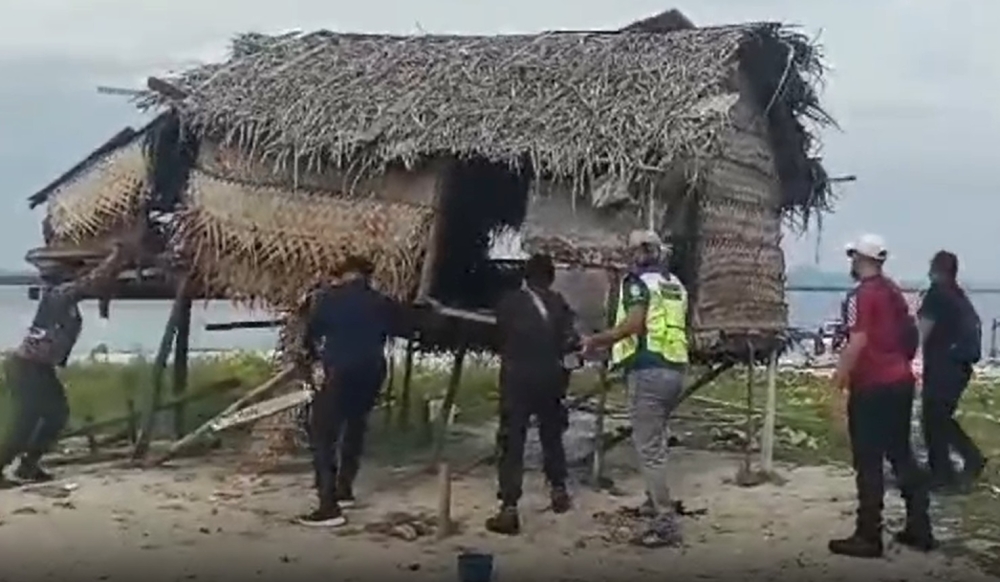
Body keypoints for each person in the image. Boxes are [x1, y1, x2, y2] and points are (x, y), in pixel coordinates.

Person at [828, 234, 935, 558]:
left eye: (853, 257)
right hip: (900, 381)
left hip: (872, 385)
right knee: (901, 453)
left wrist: (839, 379)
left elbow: (857, 341)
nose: (851, 262)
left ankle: (868, 534)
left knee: (868, 460)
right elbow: (911, 334)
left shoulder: (860, 295)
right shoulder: (893, 291)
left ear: (860, 259)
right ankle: (920, 526)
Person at [582, 229, 688, 548]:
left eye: (632, 251)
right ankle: (652, 502)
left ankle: (665, 522)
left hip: (647, 368)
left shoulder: (637, 283)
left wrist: (596, 340)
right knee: (658, 440)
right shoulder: (675, 284)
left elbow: (634, 324)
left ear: (640, 252)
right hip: (675, 367)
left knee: (648, 448)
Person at [0, 239, 133, 487]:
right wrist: (116, 256)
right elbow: (92, 282)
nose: (79, 275)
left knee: (56, 415)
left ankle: (28, 465)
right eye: (75, 271)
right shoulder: (59, 294)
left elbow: (94, 284)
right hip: (27, 366)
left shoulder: (61, 299)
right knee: (26, 420)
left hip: (38, 366)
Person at [298, 255, 396, 527]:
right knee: (356, 424)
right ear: (367, 276)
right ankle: (345, 487)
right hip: (373, 370)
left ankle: (328, 506)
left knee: (323, 434)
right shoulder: (382, 302)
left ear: (342, 275)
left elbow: (310, 338)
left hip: (339, 370)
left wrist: (314, 362)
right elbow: (397, 329)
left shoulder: (327, 299)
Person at [485, 253, 577, 536]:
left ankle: (509, 507)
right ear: (551, 277)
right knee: (551, 434)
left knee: (512, 440)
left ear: (525, 276)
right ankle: (559, 490)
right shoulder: (559, 304)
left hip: (517, 379)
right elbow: (569, 342)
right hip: (551, 378)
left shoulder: (509, 303)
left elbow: (496, 339)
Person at [917, 250, 985, 492]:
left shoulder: (936, 295)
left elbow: (922, 331)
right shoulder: (958, 295)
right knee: (940, 417)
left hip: (943, 365)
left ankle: (944, 472)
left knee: (933, 417)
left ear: (937, 270)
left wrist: (908, 355)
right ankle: (961, 462)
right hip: (960, 366)